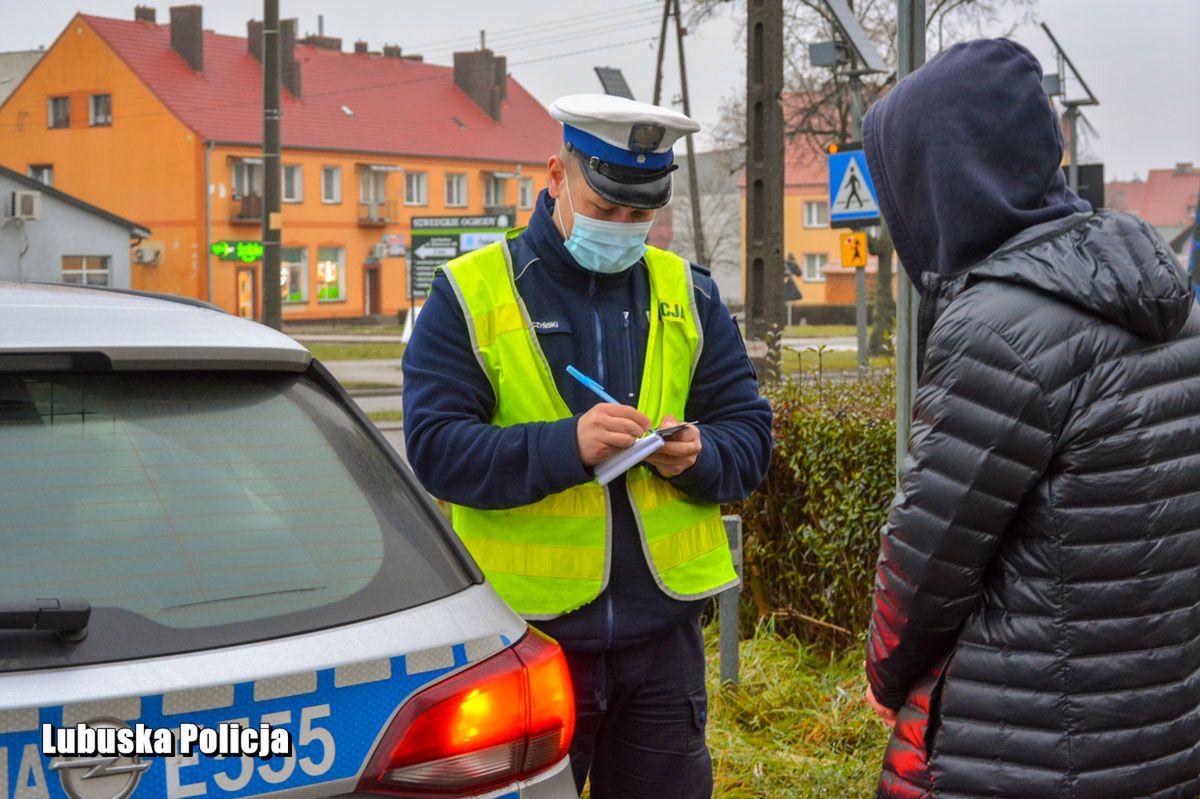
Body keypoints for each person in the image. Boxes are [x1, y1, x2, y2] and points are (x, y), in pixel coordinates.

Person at [402, 94, 772, 798]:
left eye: (641, 217)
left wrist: (699, 454)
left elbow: (750, 436)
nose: (625, 229)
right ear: (555, 176)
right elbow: (436, 449)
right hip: (524, 645)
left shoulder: (687, 293)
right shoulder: (470, 293)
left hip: (662, 648)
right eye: (607, 209)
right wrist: (566, 445)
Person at [861, 39, 1200, 798]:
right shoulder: (1167, 301)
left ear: (942, 179)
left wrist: (885, 672)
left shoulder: (999, 326)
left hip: (1023, 741)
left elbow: (930, 553)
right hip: (1160, 729)